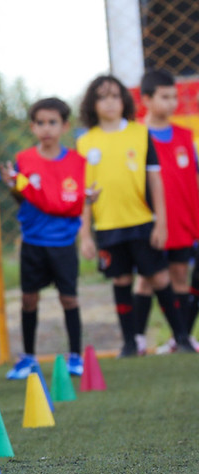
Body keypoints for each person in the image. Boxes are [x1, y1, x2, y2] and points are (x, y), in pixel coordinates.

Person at [77, 74, 195, 357]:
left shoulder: (140, 134)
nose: (110, 102)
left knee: (159, 277)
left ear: (125, 101)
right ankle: (130, 343)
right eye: (102, 97)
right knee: (121, 281)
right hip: (107, 226)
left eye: (115, 96)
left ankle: (181, 337)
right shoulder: (85, 142)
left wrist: (161, 222)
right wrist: (85, 235)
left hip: (142, 221)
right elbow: (84, 195)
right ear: (93, 104)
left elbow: (155, 181)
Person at [0, 98, 86, 378]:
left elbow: (73, 201)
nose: (46, 128)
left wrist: (88, 200)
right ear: (32, 127)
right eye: (40, 123)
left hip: (62, 242)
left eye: (52, 122)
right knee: (28, 299)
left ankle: (75, 355)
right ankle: (28, 358)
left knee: (69, 299)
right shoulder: (24, 160)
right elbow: (21, 198)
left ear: (65, 125)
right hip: (33, 242)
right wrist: (14, 186)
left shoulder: (76, 162)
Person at [130, 69, 199, 354]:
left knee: (180, 274)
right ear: (146, 99)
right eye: (165, 97)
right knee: (147, 277)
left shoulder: (185, 136)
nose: (172, 103)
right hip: (150, 220)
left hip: (184, 218)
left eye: (175, 97)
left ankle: (179, 338)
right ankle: (136, 339)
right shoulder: (135, 136)